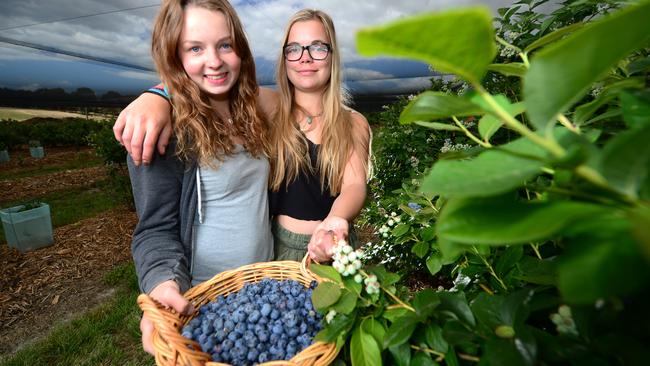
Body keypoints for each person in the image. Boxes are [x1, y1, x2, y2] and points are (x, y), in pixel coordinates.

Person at [114, 9, 371, 263]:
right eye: (294, 49)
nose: (305, 58)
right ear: (285, 58)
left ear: (332, 55)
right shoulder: (270, 106)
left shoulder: (352, 122)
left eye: (317, 47)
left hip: (332, 245)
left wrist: (335, 221)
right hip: (279, 248)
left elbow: (355, 185)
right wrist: (156, 96)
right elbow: (205, 80)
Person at [129, 0, 275, 354]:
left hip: (266, 289)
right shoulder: (166, 130)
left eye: (225, 44)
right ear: (174, 56)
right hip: (206, 302)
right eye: (195, 48)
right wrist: (163, 284)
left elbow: (310, 100)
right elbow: (154, 229)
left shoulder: (254, 110)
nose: (215, 61)